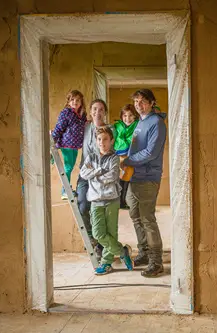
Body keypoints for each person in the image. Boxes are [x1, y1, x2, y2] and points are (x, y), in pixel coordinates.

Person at [121, 89, 167, 278]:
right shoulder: (141, 122)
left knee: (147, 219)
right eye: (137, 101)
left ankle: (156, 262)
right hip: (134, 177)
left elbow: (151, 152)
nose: (139, 105)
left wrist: (128, 160)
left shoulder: (156, 122)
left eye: (143, 101)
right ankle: (145, 253)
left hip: (148, 177)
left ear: (152, 103)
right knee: (135, 215)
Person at [79, 126, 133, 275]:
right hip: (95, 200)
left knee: (111, 233)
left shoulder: (114, 157)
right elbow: (83, 173)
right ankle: (122, 251)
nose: (102, 142)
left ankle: (106, 263)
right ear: (96, 141)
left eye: (105, 139)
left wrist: (94, 175)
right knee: (98, 234)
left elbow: (113, 176)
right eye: (99, 139)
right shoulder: (91, 157)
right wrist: (99, 171)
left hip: (111, 200)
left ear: (111, 141)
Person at [76, 98, 111, 261]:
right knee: (82, 205)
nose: (98, 112)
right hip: (85, 174)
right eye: (95, 109)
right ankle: (92, 239)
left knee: (101, 210)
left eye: (101, 109)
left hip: (102, 175)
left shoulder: (110, 130)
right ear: (90, 112)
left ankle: (102, 246)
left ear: (105, 113)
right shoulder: (85, 127)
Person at [51, 90, 87, 200]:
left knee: (70, 167)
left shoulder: (82, 114)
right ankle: (65, 190)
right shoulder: (66, 112)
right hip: (66, 144)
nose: (75, 102)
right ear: (68, 101)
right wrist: (52, 140)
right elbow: (59, 127)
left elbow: (83, 126)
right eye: (72, 100)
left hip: (75, 146)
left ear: (81, 102)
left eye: (77, 100)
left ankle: (66, 189)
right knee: (68, 167)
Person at [113, 104, 140, 209]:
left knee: (126, 178)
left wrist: (127, 142)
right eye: (125, 115)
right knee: (117, 178)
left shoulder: (138, 125)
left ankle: (122, 201)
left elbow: (135, 140)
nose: (127, 118)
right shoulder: (117, 126)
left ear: (135, 116)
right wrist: (126, 142)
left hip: (130, 156)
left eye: (130, 115)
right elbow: (117, 140)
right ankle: (117, 201)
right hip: (118, 155)